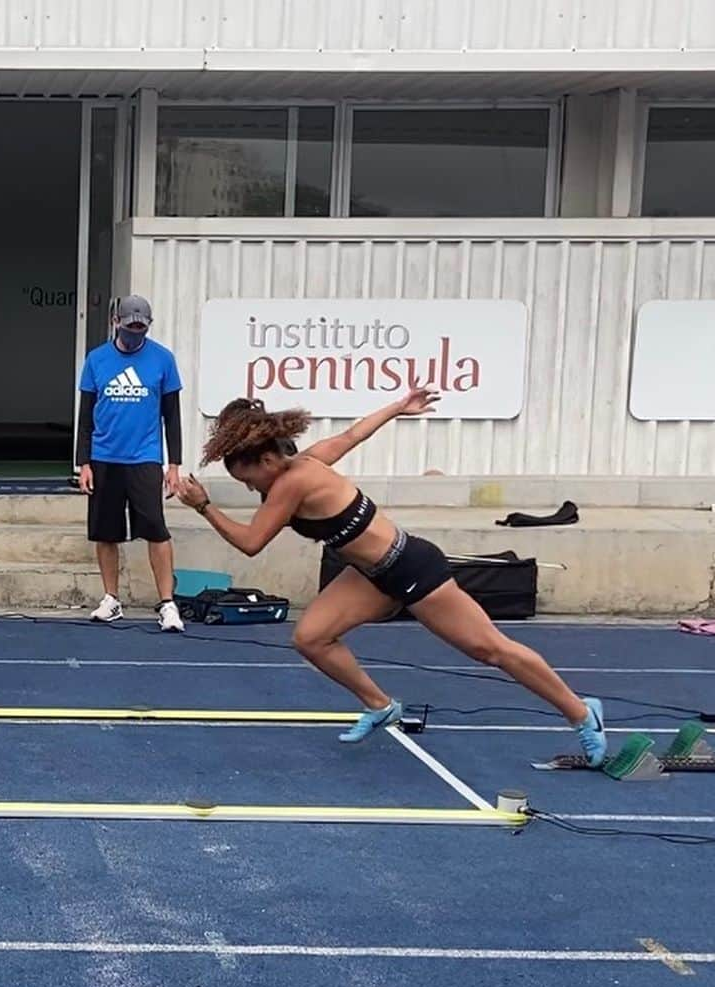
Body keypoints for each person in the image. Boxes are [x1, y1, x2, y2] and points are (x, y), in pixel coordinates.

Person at [175, 393, 607, 763]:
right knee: (311, 638)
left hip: (412, 568)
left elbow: (251, 542)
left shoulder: (294, 481)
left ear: (268, 459)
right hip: (370, 574)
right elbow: (352, 435)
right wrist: (399, 406)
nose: (252, 489)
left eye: (249, 479)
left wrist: (203, 506)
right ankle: (381, 705)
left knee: (491, 650)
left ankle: (580, 711)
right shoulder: (303, 462)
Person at [76, 295, 184, 632]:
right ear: (116, 323)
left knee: (155, 529)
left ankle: (167, 603)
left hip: (145, 457)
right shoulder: (97, 360)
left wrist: (174, 465)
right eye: (130, 326)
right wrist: (84, 463)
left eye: (141, 327)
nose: (135, 333)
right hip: (104, 457)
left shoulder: (163, 359)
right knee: (106, 533)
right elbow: (85, 416)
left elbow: (172, 415)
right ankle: (111, 599)